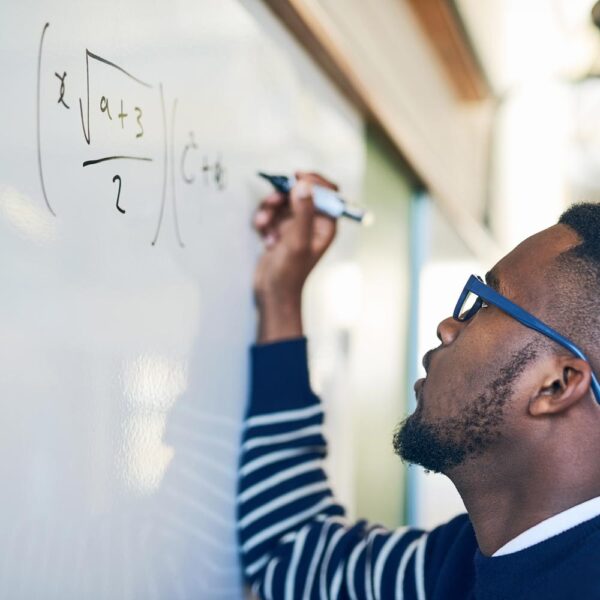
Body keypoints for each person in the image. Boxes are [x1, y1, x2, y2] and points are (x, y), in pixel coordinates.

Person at [237, 172, 600, 599]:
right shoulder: (471, 561)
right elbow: (294, 554)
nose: (447, 327)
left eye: (485, 303)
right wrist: (281, 295)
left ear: (557, 385)